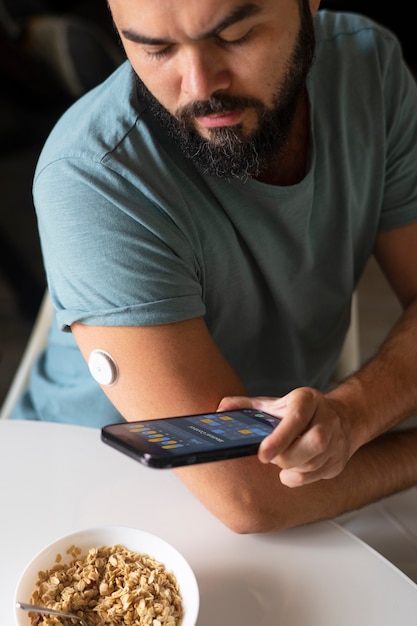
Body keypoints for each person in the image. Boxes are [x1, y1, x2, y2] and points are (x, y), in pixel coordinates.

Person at [11, 0, 417, 579]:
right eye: (155, 49)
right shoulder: (93, 173)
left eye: (236, 35)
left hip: (297, 458)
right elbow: (247, 499)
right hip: (82, 491)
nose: (200, 87)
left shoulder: (367, 65)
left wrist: (354, 414)